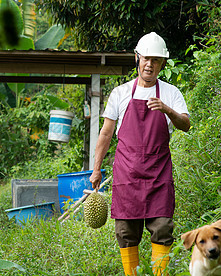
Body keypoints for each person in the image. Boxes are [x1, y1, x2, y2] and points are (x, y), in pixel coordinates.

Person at [89, 32, 190, 276]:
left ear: (162, 63)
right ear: (137, 58)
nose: (150, 64)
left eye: (156, 60)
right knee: (125, 232)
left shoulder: (171, 93)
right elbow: (105, 134)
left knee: (163, 228)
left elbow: (185, 124)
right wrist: (96, 168)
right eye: (146, 58)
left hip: (158, 174)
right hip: (127, 175)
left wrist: (166, 109)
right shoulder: (121, 93)